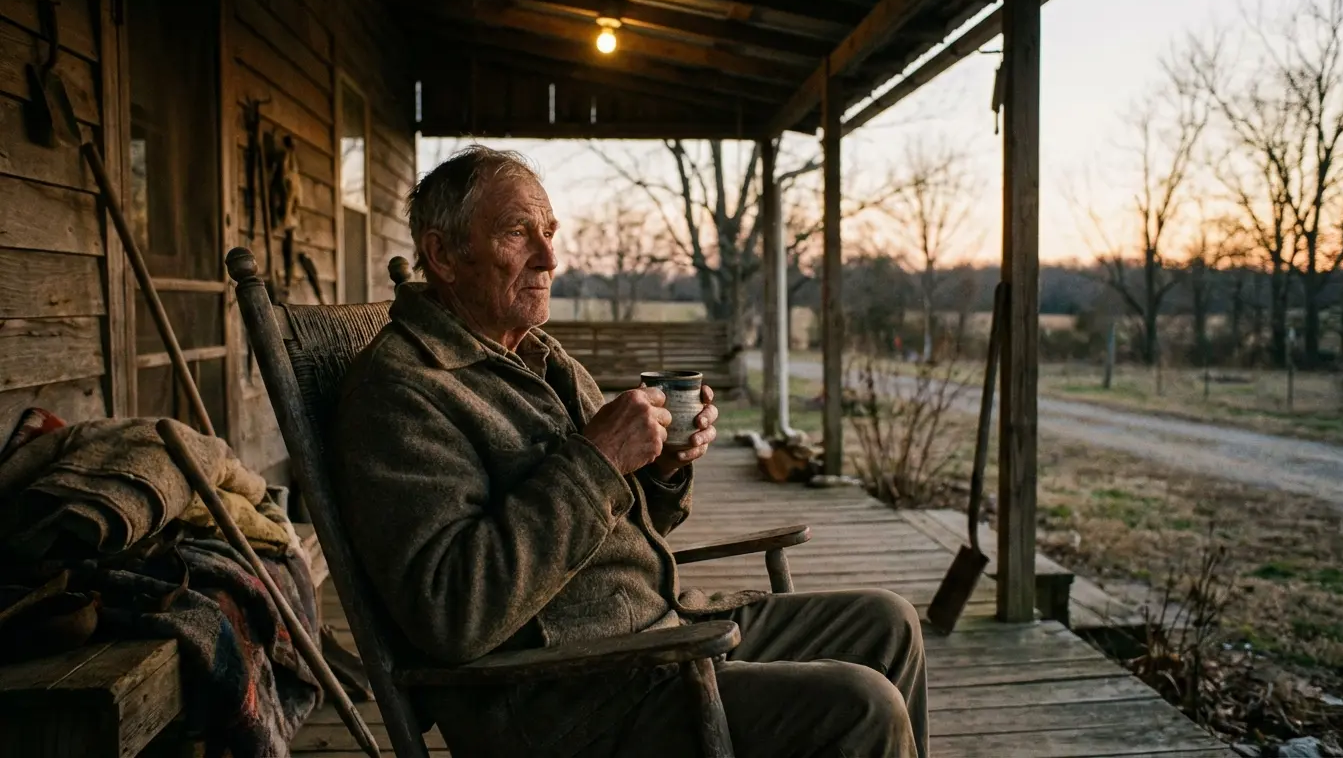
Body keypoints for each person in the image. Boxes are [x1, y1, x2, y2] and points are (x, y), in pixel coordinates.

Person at [332, 146, 928, 757]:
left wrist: (661, 467)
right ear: (442, 255)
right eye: (517, 233)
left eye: (549, 232)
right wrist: (599, 460)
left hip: (656, 630)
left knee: (887, 623)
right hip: (570, 695)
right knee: (862, 707)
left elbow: (627, 522)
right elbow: (452, 611)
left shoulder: (538, 356)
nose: (549, 258)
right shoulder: (400, 393)